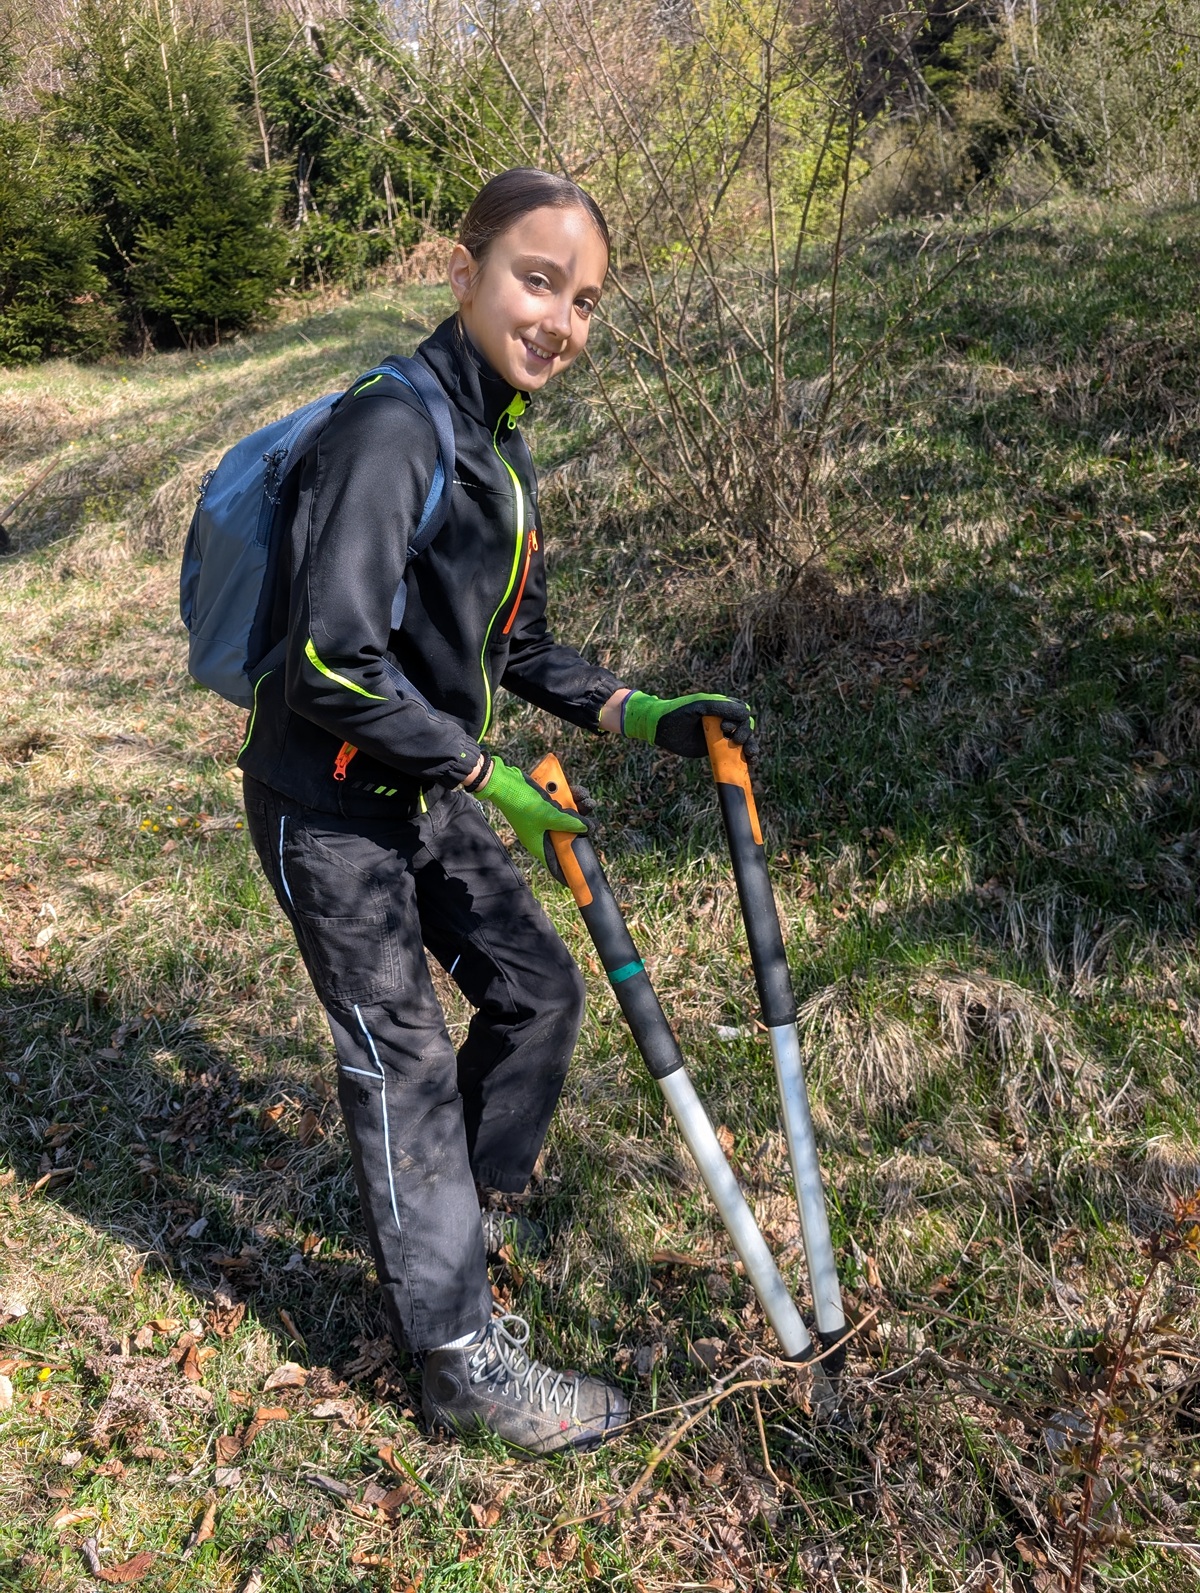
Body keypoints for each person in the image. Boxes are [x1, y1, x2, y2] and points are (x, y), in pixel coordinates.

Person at [239, 167, 756, 1455]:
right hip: (330, 805)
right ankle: (459, 1359)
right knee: (403, 1059)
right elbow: (324, 664)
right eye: (537, 279)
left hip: (421, 783)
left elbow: (507, 642)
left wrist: (638, 715)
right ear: (460, 269)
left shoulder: (492, 445)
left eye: (583, 300)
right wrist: (482, 775)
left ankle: (445, 1238)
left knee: (538, 996)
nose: (561, 322)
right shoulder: (391, 434)